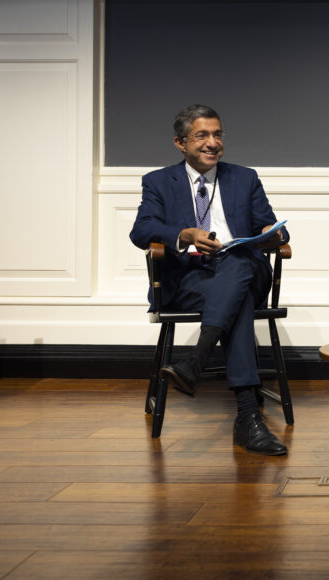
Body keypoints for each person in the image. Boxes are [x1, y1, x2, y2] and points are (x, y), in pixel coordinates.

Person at [130, 104, 289, 456]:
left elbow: (268, 223)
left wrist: (269, 233)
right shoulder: (158, 181)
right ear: (180, 142)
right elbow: (141, 230)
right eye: (202, 135)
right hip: (190, 279)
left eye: (217, 135)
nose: (212, 142)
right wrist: (185, 234)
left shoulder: (244, 178)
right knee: (239, 301)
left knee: (236, 259)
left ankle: (197, 357)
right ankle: (248, 418)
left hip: (243, 268)